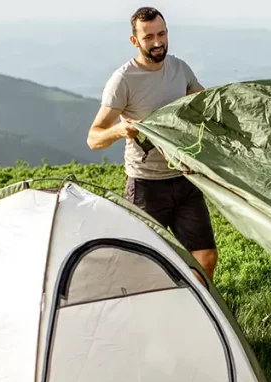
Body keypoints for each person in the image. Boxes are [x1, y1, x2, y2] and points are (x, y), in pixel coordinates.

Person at [86, 7, 218, 280]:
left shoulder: (180, 69)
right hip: (146, 186)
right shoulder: (123, 80)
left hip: (184, 179)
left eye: (162, 34)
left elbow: (205, 104)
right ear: (135, 41)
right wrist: (120, 130)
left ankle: (199, 314)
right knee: (143, 266)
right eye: (149, 37)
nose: (158, 42)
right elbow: (94, 138)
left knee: (205, 258)